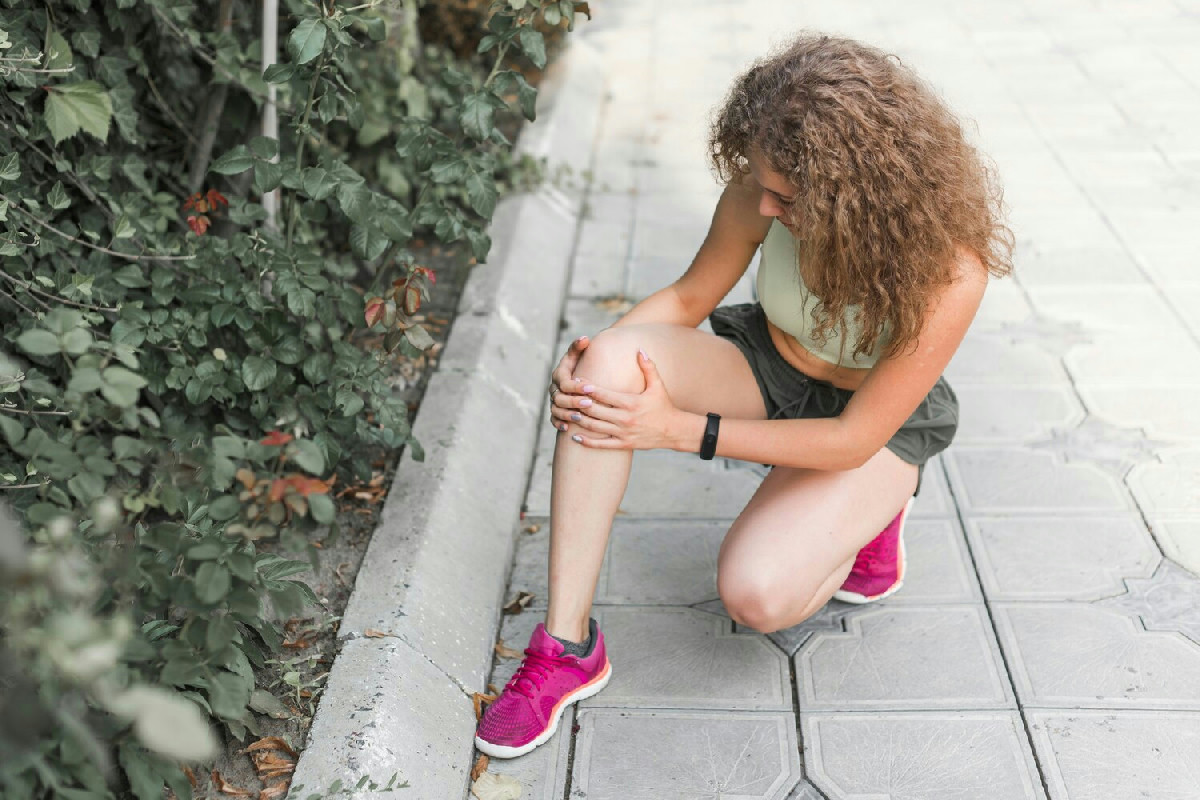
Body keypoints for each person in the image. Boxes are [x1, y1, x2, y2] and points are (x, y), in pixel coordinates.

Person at [474, 33, 1013, 759]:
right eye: (760, 182)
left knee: (757, 596)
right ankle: (566, 647)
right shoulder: (767, 184)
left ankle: (876, 510)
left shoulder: (954, 270)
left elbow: (851, 439)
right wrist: (591, 359)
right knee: (607, 372)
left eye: (785, 197)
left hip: (870, 425)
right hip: (770, 363)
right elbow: (691, 295)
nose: (764, 203)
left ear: (853, 190)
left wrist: (676, 429)